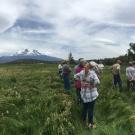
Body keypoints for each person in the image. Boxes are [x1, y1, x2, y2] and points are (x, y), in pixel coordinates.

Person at [74, 62, 100, 128]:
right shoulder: (93, 73)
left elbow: (75, 77)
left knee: (84, 108)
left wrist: (81, 81)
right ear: (92, 67)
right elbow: (98, 82)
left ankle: (83, 121)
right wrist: (92, 85)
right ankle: (90, 124)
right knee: (90, 110)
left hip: (83, 95)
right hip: (91, 95)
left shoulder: (82, 72)